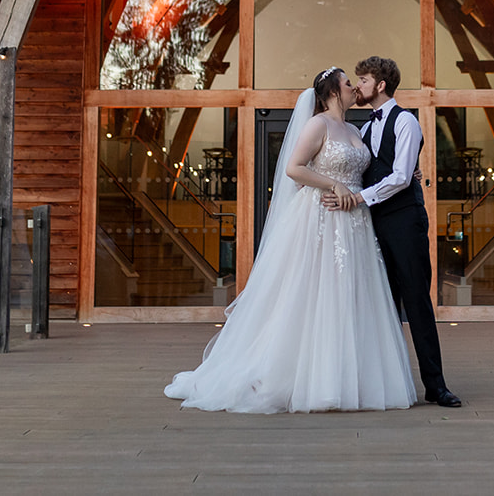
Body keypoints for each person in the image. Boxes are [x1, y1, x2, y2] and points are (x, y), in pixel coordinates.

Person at [164, 67, 416, 413]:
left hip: (356, 223)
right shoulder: (317, 124)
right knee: (314, 293)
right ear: (333, 92)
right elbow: (294, 168)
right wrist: (333, 184)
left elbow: (372, 169)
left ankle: (348, 378)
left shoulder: (356, 129)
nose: (354, 88)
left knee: (350, 294)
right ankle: (303, 378)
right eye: (348, 83)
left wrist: (408, 170)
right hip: (322, 216)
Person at [325, 55, 462, 408]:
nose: (358, 86)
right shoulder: (362, 130)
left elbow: (401, 176)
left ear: (381, 85)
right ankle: (386, 384)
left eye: (364, 80)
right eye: (355, 81)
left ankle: (436, 386)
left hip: (404, 221)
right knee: (380, 304)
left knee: (416, 302)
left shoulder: (406, 121)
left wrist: (359, 198)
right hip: (371, 225)